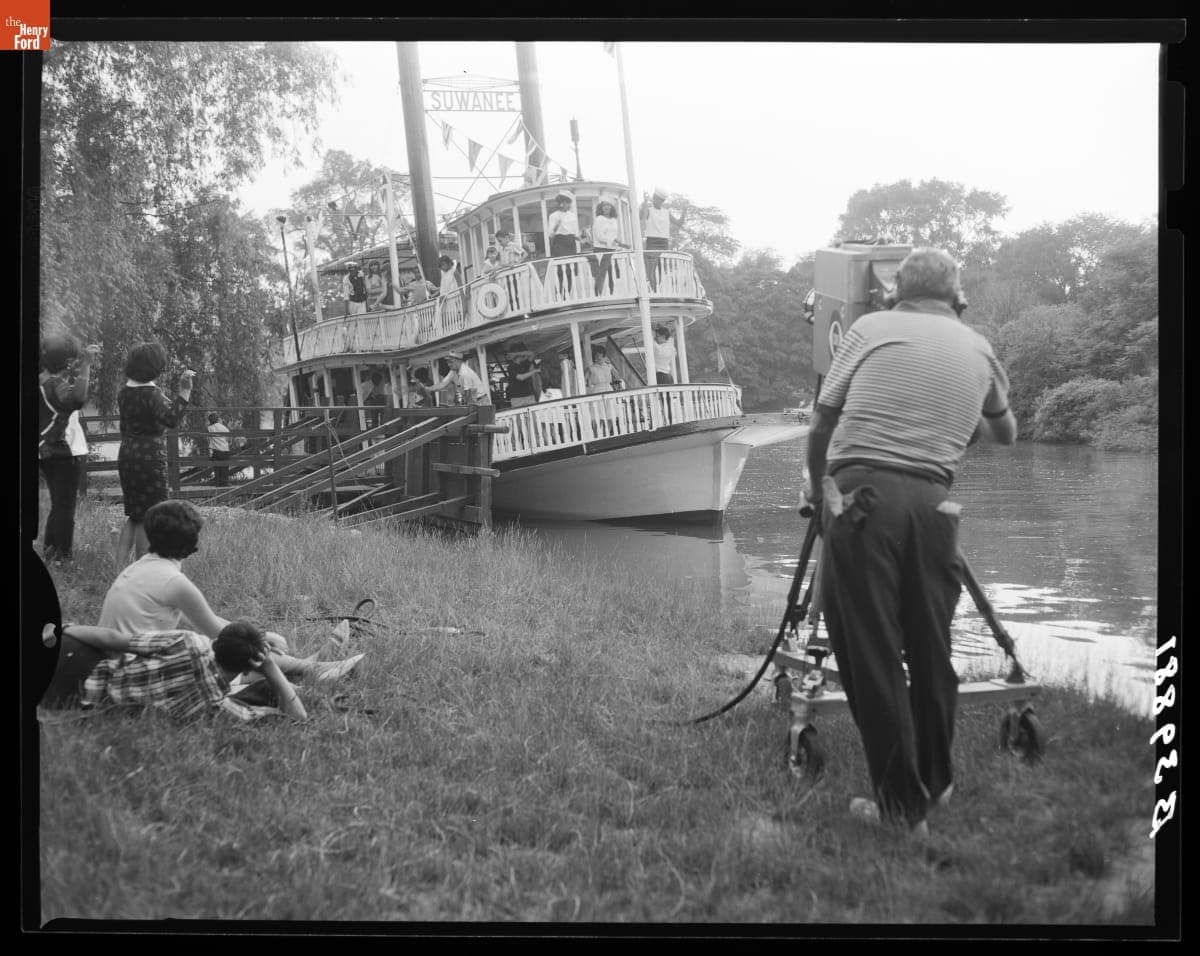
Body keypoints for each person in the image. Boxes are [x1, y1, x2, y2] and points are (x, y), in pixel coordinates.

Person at [803, 247, 1018, 836]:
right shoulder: (979, 347)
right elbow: (1005, 434)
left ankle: (901, 808)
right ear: (958, 296)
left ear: (899, 290)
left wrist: (822, 489)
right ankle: (936, 782)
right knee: (928, 643)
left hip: (861, 499)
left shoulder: (871, 327)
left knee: (871, 650)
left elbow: (823, 421)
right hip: (935, 505)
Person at [98, 499, 362, 685]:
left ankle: (311, 666)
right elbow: (219, 632)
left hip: (119, 663)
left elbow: (209, 626)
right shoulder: (173, 582)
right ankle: (313, 668)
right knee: (232, 651)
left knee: (221, 652)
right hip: (140, 672)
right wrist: (264, 636)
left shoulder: (140, 569)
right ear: (192, 544)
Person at [45, 620, 308, 723]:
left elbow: (114, 639)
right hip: (70, 697)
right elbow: (298, 718)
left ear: (218, 642)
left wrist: (66, 628)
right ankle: (312, 667)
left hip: (76, 658)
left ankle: (313, 666)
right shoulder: (212, 707)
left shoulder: (188, 641)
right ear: (248, 666)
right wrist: (271, 669)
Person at [115, 342, 193, 565]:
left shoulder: (124, 393)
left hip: (127, 454)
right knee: (149, 516)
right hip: (148, 458)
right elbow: (171, 420)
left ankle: (119, 567)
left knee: (134, 515)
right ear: (154, 367)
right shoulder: (152, 394)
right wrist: (184, 392)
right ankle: (142, 568)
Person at [38, 332, 100, 562]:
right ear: (66, 362)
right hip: (63, 451)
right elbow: (77, 399)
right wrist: (86, 366)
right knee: (65, 507)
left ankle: (50, 550)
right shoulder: (54, 386)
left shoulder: (40, 381)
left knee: (57, 503)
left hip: (45, 451)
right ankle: (62, 556)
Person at [641, 187, 688, 291]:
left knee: (661, 270)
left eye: (658, 199)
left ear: (662, 201)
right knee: (650, 270)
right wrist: (644, 201)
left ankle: (657, 290)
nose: (655, 200)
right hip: (652, 242)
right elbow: (642, 216)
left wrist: (684, 210)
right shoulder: (649, 210)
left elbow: (679, 223)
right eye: (654, 198)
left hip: (664, 243)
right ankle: (653, 292)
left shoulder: (666, 212)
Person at [418, 351, 491, 406]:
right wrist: (427, 389)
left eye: (451, 362)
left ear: (459, 361)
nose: (449, 365)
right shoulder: (453, 371)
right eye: (448, 362)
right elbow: (442, 385)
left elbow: (470, 398)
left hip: (481, 402)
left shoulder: (465, 374)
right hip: (473, 400)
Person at [590, 196, 629, 296]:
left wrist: (621, 244)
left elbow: (613, 236)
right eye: (604, 205)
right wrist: (613, 240)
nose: (606, 207)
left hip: (611, 249)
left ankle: (611, 294)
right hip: (600, 250)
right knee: (601, 275)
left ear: (611, 207)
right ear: (601, 207)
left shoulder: (614, 220)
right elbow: (599, 236)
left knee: (611, 274)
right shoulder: (599, 219)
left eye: (608, 205)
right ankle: (598, 296)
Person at [504, 342, 541, 408]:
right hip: (517, 398)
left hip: (529, 396)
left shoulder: (524, 363)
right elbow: (521, 377)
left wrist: (517, 353)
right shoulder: (511, 367)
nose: (525, 355)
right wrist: (534, 371)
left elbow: (532, 353)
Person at [207, 413, 231, 486]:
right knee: (225, 467)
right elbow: (229, 437)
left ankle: (217, 482)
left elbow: (208, 438)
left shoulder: (209, 428)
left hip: (215, 450)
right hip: (224, 449)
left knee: (217, 467)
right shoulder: (222, 427)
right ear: (217, 419)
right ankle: (224, 482)